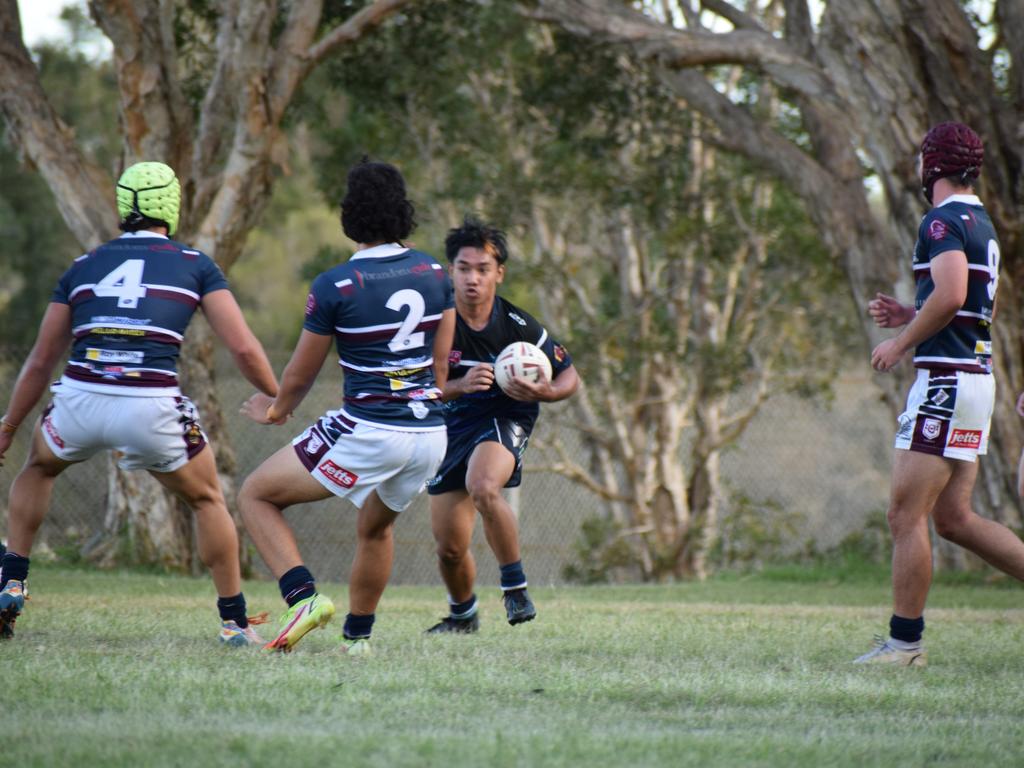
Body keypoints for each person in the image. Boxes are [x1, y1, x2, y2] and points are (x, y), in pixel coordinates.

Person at [0, 161, 278, 645]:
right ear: (170, 205)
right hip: (150, 404)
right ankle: (233, 624)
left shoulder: (84, 266)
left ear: (123, 206)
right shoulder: (195, 264)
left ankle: (12, 580)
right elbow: (244, 349)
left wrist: (8, 424)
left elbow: (43, 359)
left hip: (80, 398)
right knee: (207, 498)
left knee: (38, 469)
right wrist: (279, 396)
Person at [238, 160, 455, 655]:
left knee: (256, 495)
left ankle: (302, 598)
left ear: (349, 215)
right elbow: (440, 368)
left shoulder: (335, 285)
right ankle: (358, 641)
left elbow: (299, 375)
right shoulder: (435, 272)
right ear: (403, 212)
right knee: (375, 528)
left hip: (371, 428)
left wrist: (273, 411)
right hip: (429, 435)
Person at [857, 122, 1024, 666]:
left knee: (905, 515)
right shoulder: (980, 221)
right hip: (974, 380)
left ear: (931, 165)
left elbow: (951, 295)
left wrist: (902, 341)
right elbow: (972, 305)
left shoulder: (940, 220)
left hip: (945, 384)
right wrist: (914, 314)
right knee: (954, 520)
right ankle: (905, 644)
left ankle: (905, 646)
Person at [425, 217, 579, 634]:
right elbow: (416, 389)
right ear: (450, 270)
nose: (473, 278)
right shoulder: (435, 322)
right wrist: (458, 385)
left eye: (482, 269)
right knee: (450, 550)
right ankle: (463, 616)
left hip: (505, 415)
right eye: (464, 268)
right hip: (450, 426)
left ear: (499, 273)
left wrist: (546, 393)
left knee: (484, 485)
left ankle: (515, 586)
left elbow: (570, 375)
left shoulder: (518, 325)